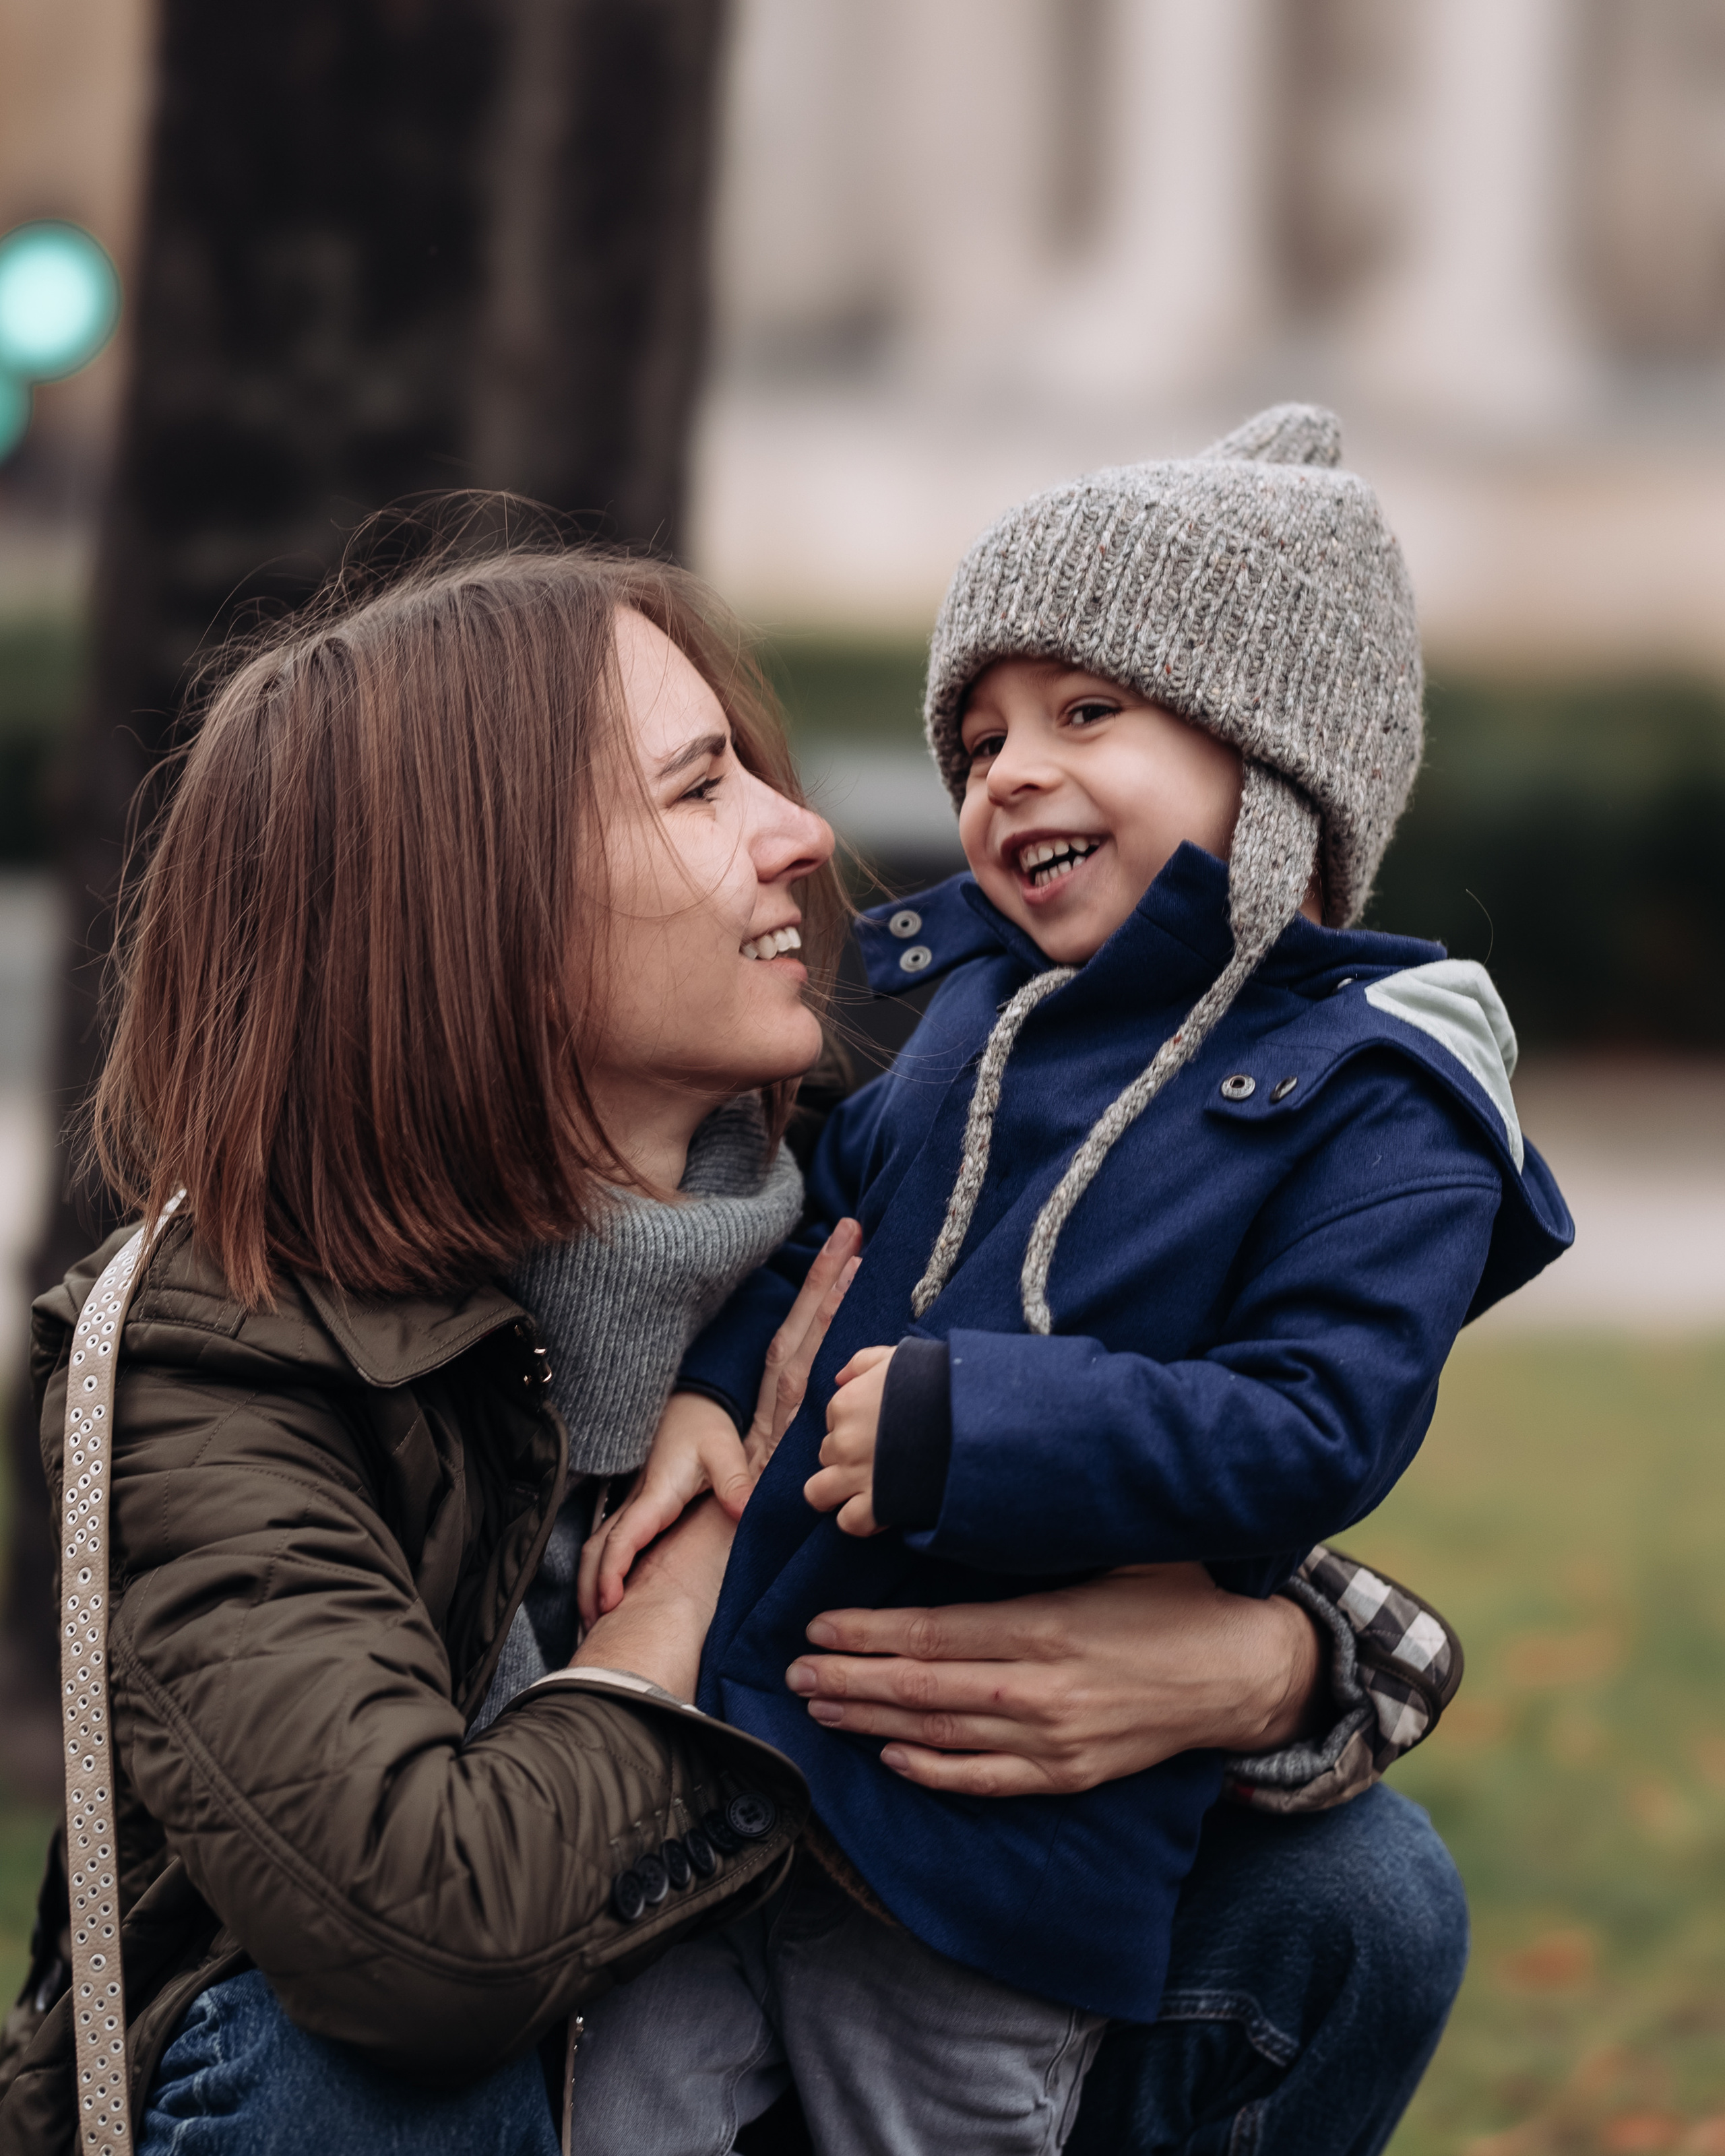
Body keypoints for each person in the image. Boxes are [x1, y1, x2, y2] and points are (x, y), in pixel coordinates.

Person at [0, 518, 1466, 2156]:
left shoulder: (883, 1167)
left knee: (1358, 1895)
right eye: (700, 788)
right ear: (467, 903)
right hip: (493, 2070)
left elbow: (1245, 1466)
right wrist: (702, 1570)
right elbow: (419, 1937)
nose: (802, 831)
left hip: (835, 2007)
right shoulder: (218, 1351)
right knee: (342, 2068)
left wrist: (1261, 1676)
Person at [570, 408, 1573, 2155]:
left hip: (1000, 1835)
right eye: (977, 737)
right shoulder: (969, 1019)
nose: (1005, 773)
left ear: (1282, 764)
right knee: (627, 2106)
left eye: (1085, 714)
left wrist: (987, 1425)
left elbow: (1315, 1426)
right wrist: (717, 1401)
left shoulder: (1381, 1105)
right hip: (754, 1752)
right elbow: (832, 1230)